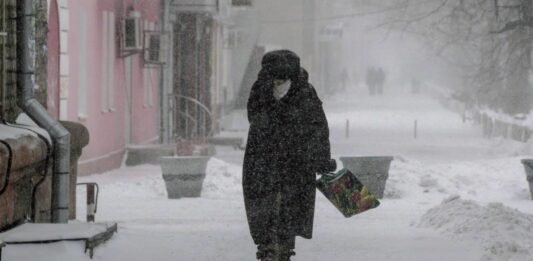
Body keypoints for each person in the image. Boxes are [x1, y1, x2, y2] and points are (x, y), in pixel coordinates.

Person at [243, 50, 336, 261]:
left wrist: (321, 158)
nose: (279, 77)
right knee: (265, 203)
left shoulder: (304, 91)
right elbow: (255, 118)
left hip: (293, 160)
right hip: (265, 159)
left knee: (289, 204)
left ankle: (283, 247)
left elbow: (319, 127)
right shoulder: (261, 89)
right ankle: (267, 246)